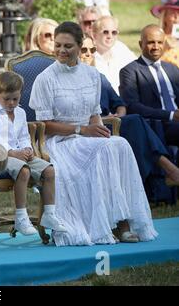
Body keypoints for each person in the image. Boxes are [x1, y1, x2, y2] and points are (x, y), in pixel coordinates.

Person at [29, 21, 158, 246]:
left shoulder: (92, 75)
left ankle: (123, 222)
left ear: (80, 46)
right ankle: (111, 227)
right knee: (104, 148)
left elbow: (94, 115)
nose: (61, 50)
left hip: (86, 138)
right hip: (59, 142)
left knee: (119, 144)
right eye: (58, 45)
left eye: (67, 46)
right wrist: (82, 130)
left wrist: (97, 130)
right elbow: (44, 124)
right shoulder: (45, 79)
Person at [81, 35, 179, 187]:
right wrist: (106, 119)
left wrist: (118, 117)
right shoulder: (69, 81)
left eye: (92, 49)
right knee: (136, 121)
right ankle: (169, 170)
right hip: (91, 127)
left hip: (114, 124)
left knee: (133, 122)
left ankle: (161, 181)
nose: (88, 53)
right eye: (83, 49)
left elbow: (120, 104)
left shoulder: (99, 77)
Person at [0, 71, 67, 236]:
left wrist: (27, 149)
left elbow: (23, 136)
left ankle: (49, 214)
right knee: (24, 170)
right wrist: (13, 152)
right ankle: (21, 217)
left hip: (19, 154)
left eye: (16, 99)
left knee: (49, 170)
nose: (11, 103)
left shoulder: (20, 113)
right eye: (7, 99)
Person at [120, 25, 179, 148]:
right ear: (141, 44)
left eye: (160, 42)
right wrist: (170, 115)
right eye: (151, 42)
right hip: (156, 125)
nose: (156, 47)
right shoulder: (130, 71)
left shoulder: (172, 69)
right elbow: (133, 106)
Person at [92, 16, 136, 94]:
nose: (110, 36)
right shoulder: (89, 56)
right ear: (95, 35)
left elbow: (138, 68)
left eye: (114, 32)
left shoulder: (121, 48)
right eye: (105, 32)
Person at [150, 0, 179, 68]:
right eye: (172, 13)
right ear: (164, 17)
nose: (176, 17)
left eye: (178, 13)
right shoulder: (157, 37)